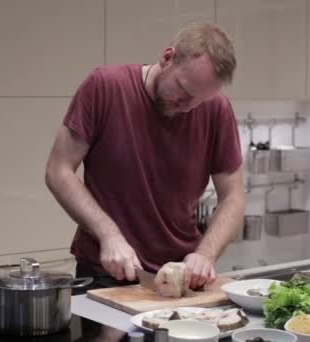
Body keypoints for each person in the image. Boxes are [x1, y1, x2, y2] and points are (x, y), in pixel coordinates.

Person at [45, 22, 245, 294]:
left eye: (200, 100)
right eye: (184, 91)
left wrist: (206, 255)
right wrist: (109, 235)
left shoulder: (218, 110)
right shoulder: (105, 87)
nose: (188, 107)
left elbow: (233, 196)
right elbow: (59, 171)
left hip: (180, 278)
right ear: (166, 58)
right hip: (106, 273)